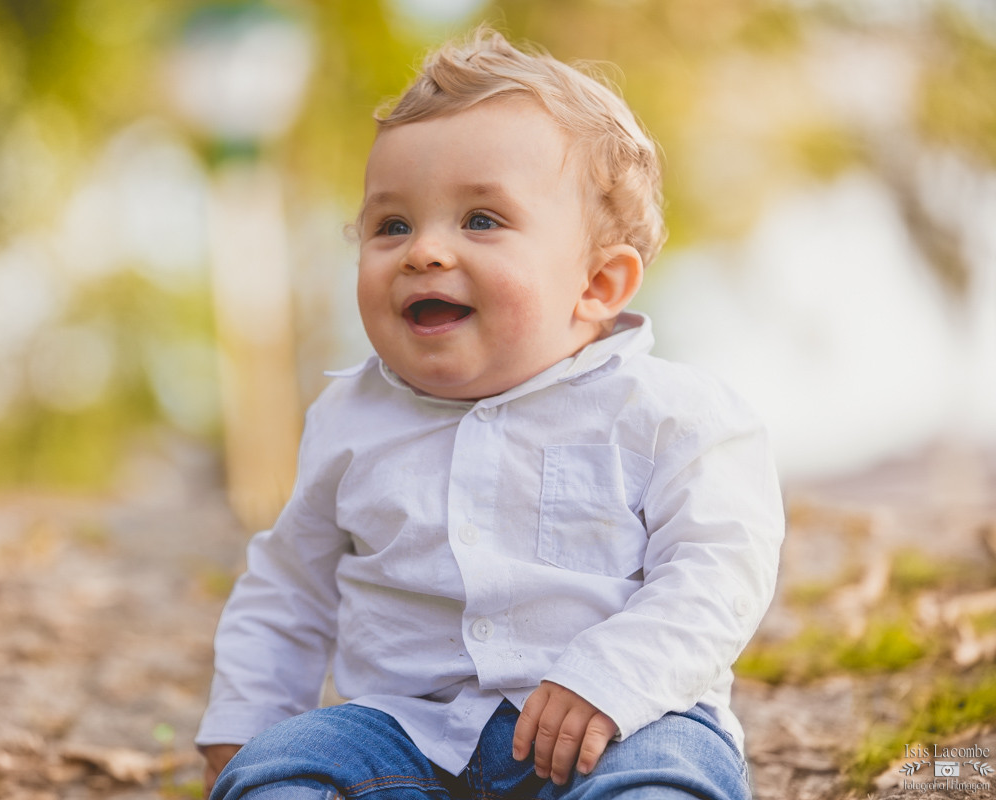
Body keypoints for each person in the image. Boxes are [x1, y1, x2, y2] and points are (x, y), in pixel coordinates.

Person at [195, 27, 784, 800]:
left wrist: (613, 676)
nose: (424, 252)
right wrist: (249, 718)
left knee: (665, 775)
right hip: (405, 732)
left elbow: (718, 569)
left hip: (621, 720)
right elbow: (290, 587)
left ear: (598, 285)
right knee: (289, 763)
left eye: (481, 220)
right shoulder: (349, 418)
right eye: (392, 225)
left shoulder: (669, 415)